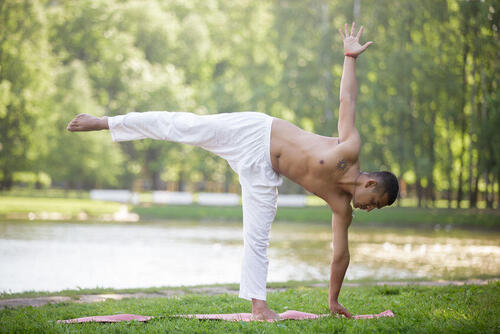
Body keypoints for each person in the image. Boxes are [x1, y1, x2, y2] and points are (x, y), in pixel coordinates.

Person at [67, 22, 398, 320]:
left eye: (375, 208)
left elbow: (340, 254)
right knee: (183, 125)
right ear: (370, 182)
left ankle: (258, 305)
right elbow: (347, 101)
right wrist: (350, 58)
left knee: (257, 236)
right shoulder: (349, 148)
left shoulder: (342, 208)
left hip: (264, 172)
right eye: (375, 201)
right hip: (256, 132)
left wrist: (333, 300)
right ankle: (106, 122)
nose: (370, 208)